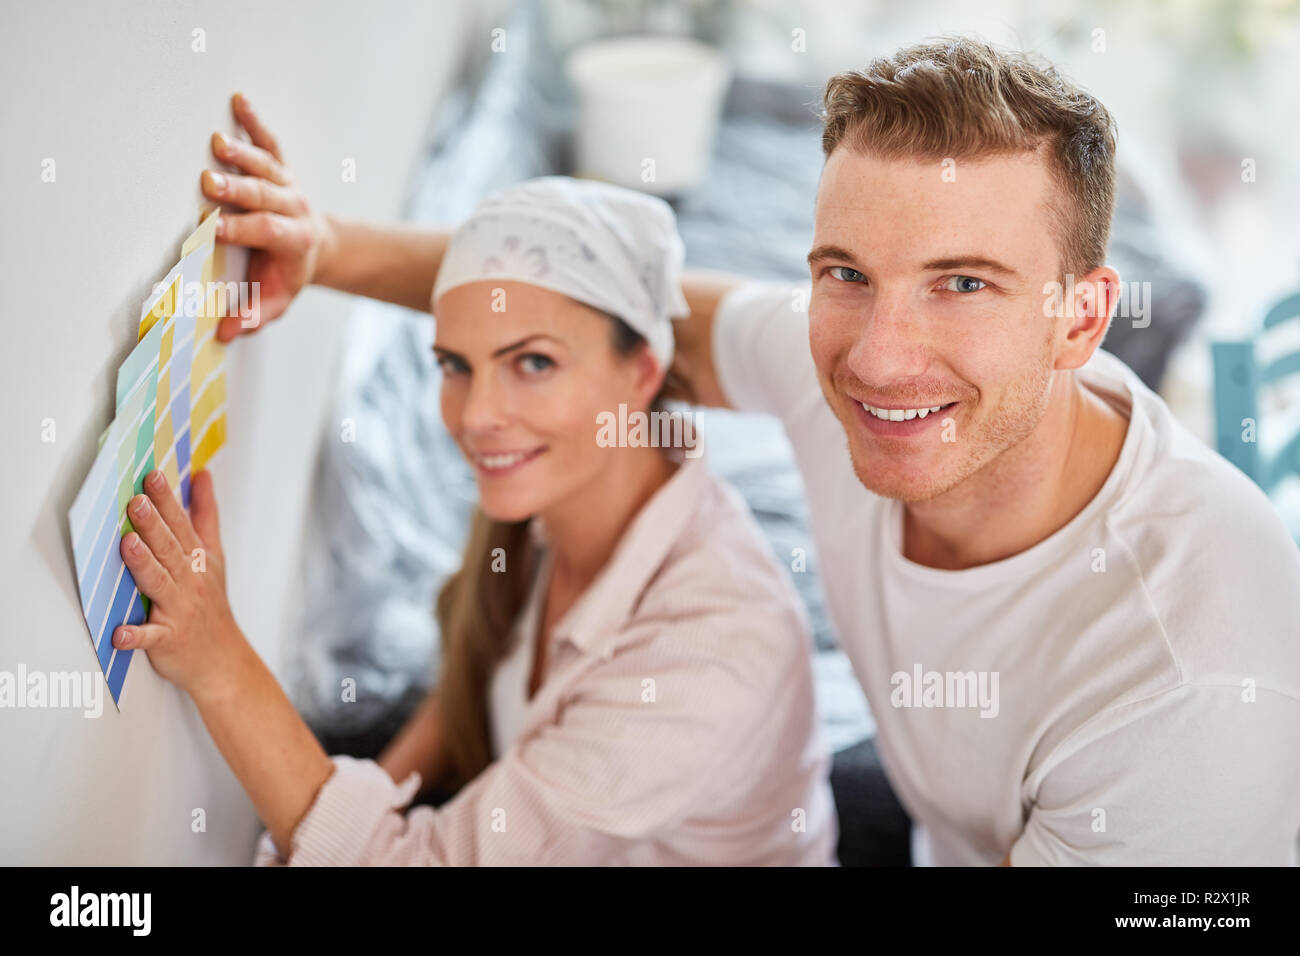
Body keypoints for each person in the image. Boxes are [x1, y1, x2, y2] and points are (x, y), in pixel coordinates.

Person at [202, 30, 1300, 868]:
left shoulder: (1184, 688)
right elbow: (620, 308)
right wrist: (329, 247)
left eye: (964, 284)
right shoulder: (848, 380)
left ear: (1080, 316)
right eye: (844, 272)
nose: (876, 358)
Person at [113, 172, 836, 865]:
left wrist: (218, 658)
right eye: (455, 365)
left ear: (643, 371)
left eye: (534, 363)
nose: (478, 417)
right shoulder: (551, 499)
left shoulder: (709, 654)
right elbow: (476, 669)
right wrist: (378, 790)